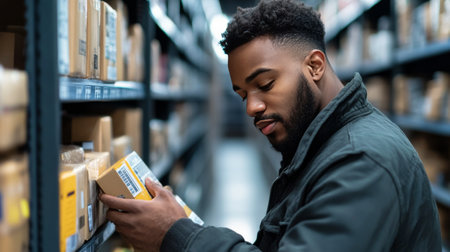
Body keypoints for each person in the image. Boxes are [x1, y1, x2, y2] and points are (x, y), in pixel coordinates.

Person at [100, 0, 442, 251]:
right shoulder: (319, 145)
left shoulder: (362, 161)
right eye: (242, 93)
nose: (252, 106)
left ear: (315, 66)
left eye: (265, 84)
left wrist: (175, 235)